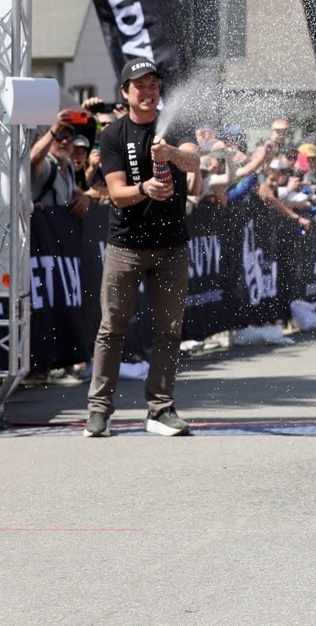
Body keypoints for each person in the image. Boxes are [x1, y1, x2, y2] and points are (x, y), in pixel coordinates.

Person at [83, 59, 200, 438]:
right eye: (140, 86)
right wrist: (145, 189)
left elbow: (194, 161)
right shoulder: (113, 134)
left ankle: (161, 409)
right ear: (125, 92)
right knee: (111, 328)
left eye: (153, 85)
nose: (148, 92)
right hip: (127, 247)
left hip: (171, 246)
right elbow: (116, 193)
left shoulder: (173, 127)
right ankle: (99, 410)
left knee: (169, 330)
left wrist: (172, 156)